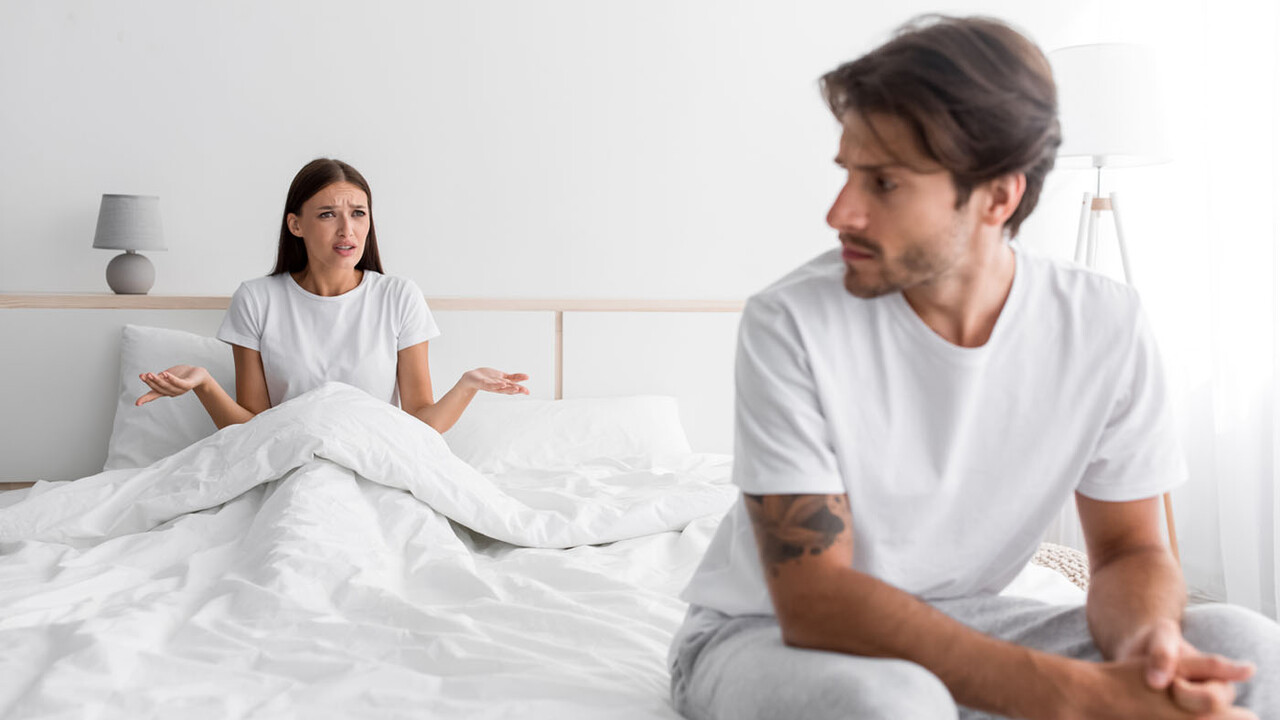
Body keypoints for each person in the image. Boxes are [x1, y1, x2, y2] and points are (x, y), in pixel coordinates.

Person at [670, 15, 1278, 720]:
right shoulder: (792, 322)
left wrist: (1149, 648)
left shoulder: (1103, 321)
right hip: (765, 634)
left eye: (885, 183)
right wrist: (1077, 697)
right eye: (848, 175)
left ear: (999, 196)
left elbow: (1130, 550)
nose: (841, 212)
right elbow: (815, 600)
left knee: (1247, 646)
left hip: (968, 619)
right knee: (895, 704)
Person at [136, 158, 528, 432]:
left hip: (376, 466)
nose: (347, 230)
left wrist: (467, 385)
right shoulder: (256, 299)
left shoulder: (399, 296)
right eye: (327, 214)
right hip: (291, 468)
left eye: (358, 213)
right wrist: (205, 384)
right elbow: (253, 430)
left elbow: (419, 424)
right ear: (296, 224)